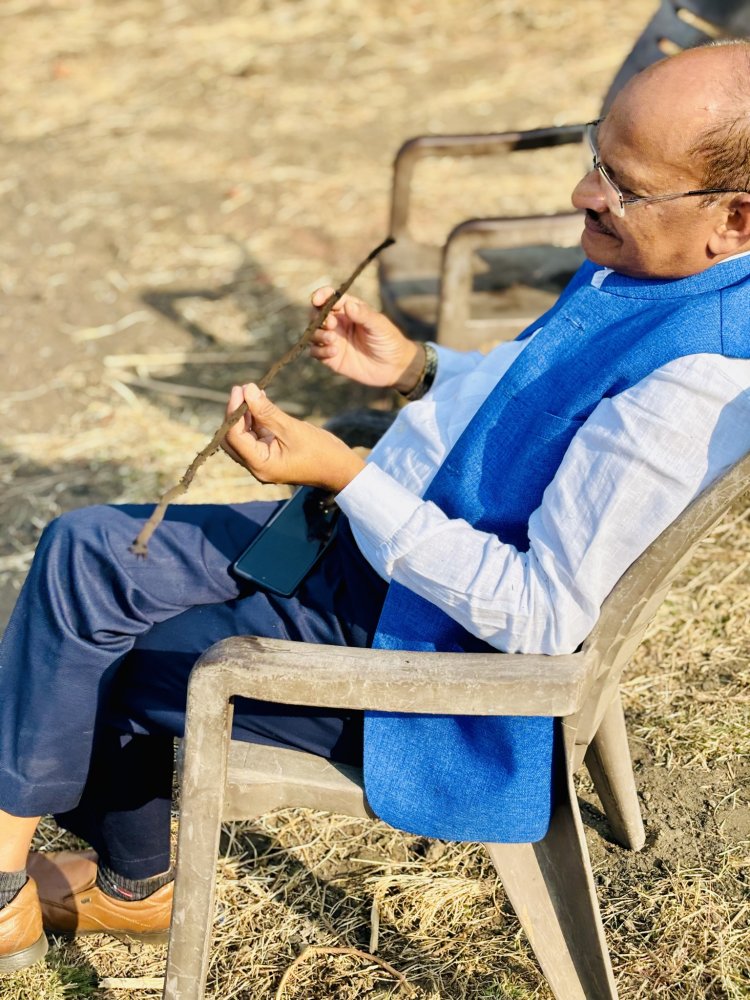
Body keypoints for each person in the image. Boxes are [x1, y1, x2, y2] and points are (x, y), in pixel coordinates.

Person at [2, 40, 750, 974]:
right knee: (85, 557)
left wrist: (347, 476)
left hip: (423, 653)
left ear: (735, 218)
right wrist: (414, 369)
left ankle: (78, 892)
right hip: (381, 564)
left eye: (622, 185)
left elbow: (541, 615)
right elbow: (540, 397)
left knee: (101, 653)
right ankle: (110, 887)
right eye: (596, 157)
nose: (583, 195)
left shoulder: (697, 383)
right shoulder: (660, 267)